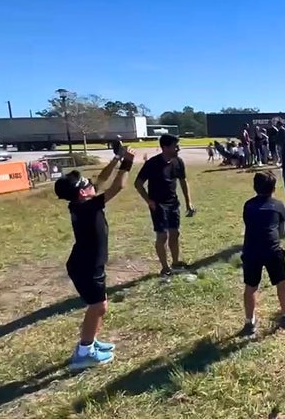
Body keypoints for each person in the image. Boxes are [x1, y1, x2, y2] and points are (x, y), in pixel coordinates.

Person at [54, 148, 135, 370]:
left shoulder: (80, 203)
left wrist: (116, 159)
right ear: (82, 193)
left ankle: (91, 342)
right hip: (87, 266)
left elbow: (100, 179)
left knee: (98, 305)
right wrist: (127, 164)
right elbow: (117, 186)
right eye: (86, 184)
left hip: (85, 263)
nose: (92, 184)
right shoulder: (89, 207)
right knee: (98, 307)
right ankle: (84, 352)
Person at [241, 172, 285, 336]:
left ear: (255, 187)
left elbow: (248, 224)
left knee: (251, 287)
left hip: (251, 250)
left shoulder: (248, 205)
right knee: (282, 284)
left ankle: (249, 322)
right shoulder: (278, 205)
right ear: (274, 188)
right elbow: (281, 230)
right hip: (272, 249)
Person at [134, 134, 195, 276]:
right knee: (162, 236)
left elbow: (183, 182)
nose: (178, 149)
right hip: (158, 205)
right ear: (165, 147)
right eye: (175, 146)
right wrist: (149, 201)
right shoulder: (152, 164)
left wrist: (188, 202)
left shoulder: (178, 162)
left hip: (173, 203)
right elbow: (138, 184)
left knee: (175, 233)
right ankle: (165, 267)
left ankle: (175, 262)